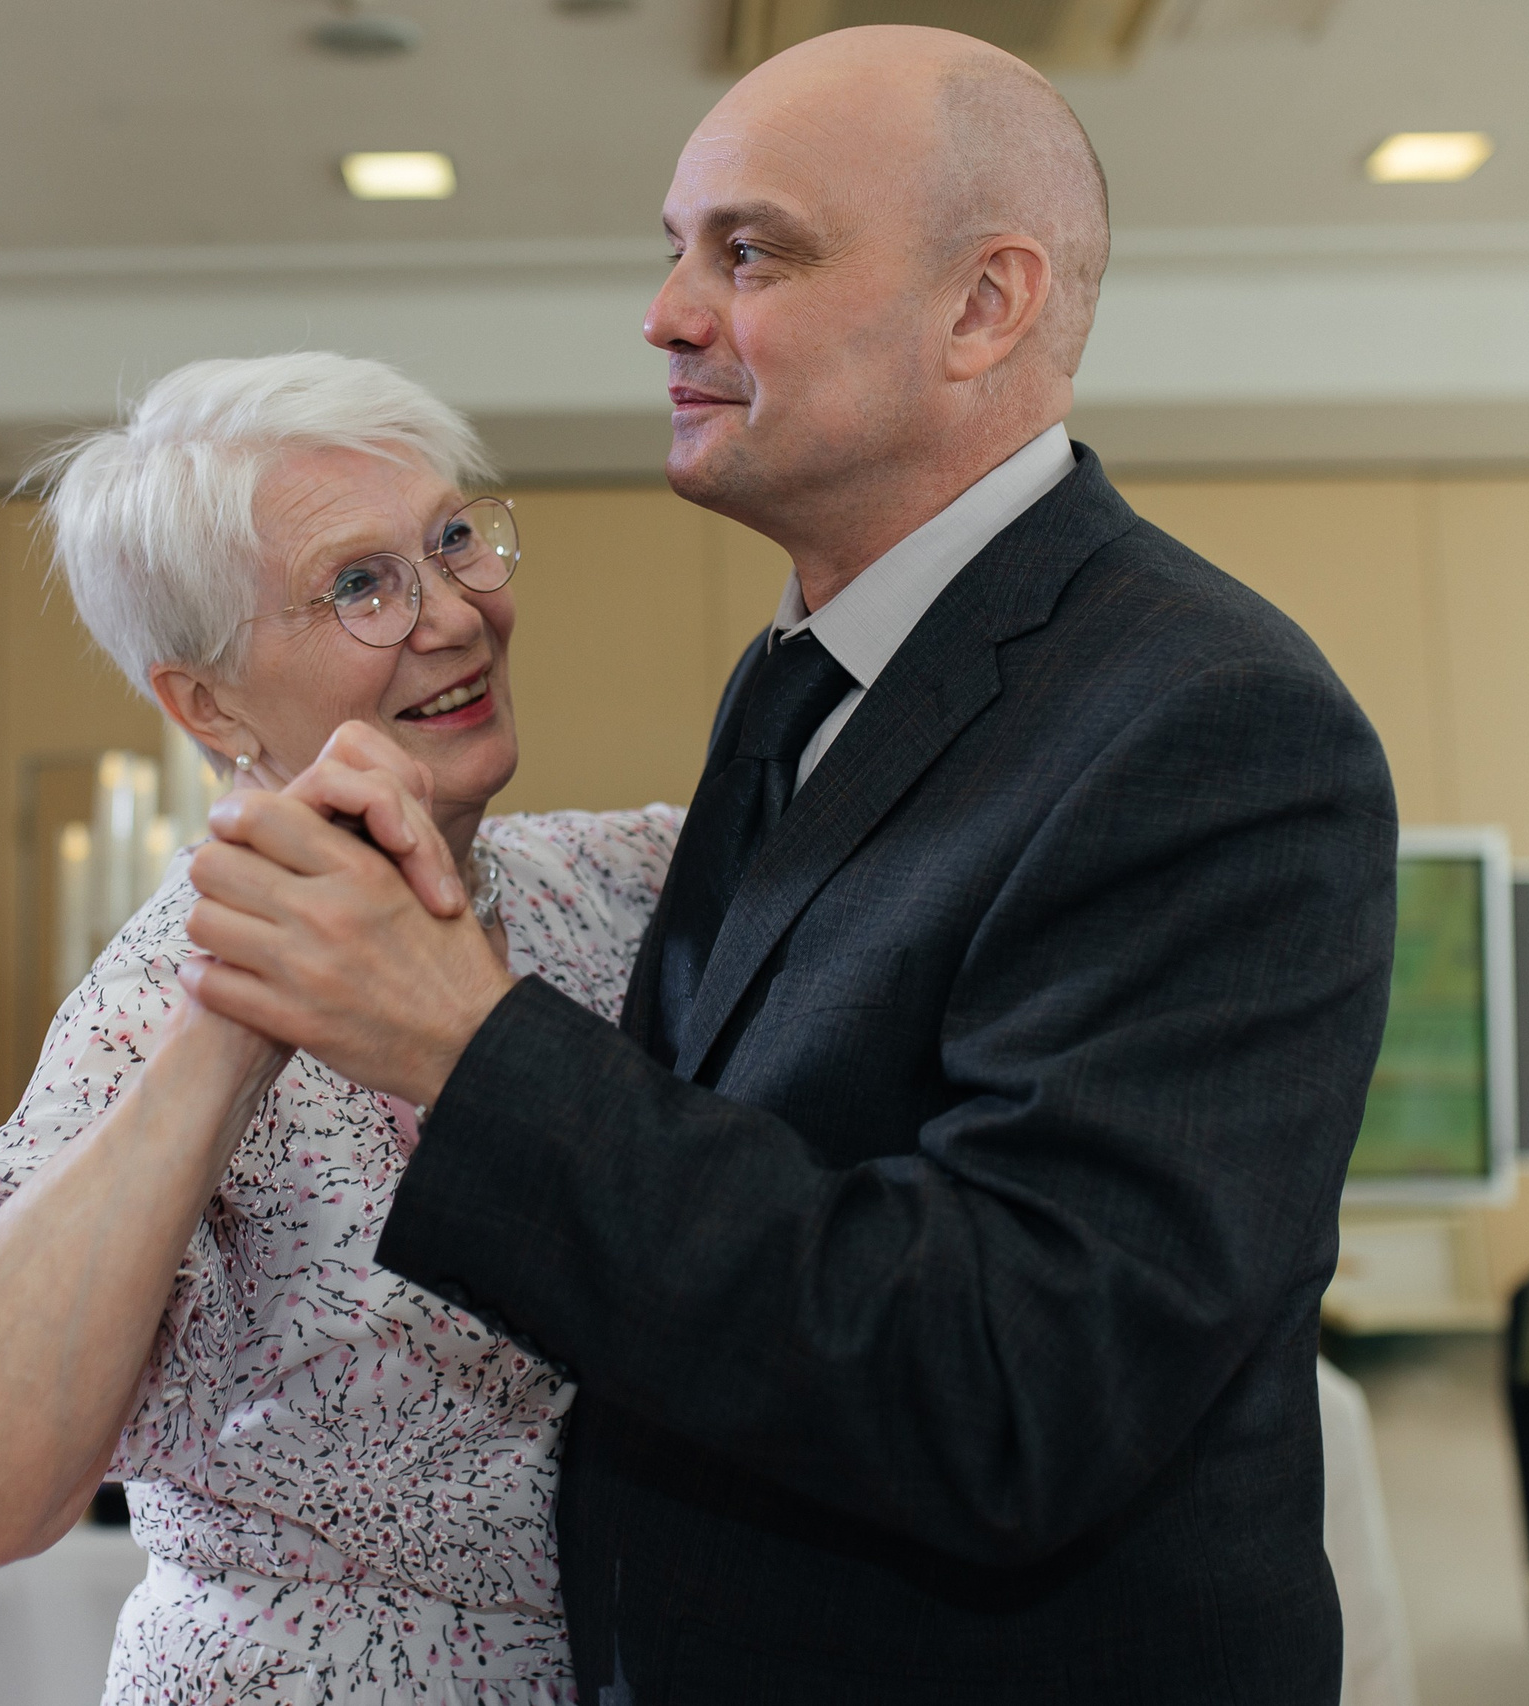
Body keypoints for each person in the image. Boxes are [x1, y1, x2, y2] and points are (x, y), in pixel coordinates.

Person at [180, 26, 1400, 1705]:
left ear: (986, 308)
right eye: (675, 251)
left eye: (747, 252)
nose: (669, 312)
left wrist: (466, 1051)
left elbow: (1013, 1384)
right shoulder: (803, 681)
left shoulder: (1209, 720)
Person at [0, 351, 678, 1704]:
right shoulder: (153, 1005)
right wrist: (241, 1014)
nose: (456, 615)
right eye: (360, 584)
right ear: (208, 705)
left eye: (454, 540)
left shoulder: (616, 889)